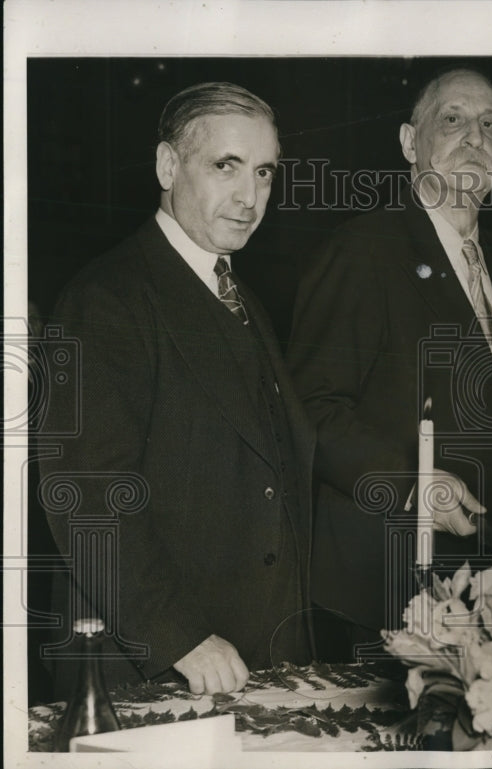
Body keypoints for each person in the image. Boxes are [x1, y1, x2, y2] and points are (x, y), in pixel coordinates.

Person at [40, 82, 314, 697]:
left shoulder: (242, 297)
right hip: (157, 664)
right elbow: (87, 495)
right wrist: (180, 636)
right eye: (226, 167)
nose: (251, 196)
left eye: (265, 173)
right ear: (168, 166)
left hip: (253, 655)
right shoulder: (106, 298)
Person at [287, 68, 492, 659]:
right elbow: (308, 408)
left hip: (486, 595)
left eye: (488, 125)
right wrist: (410, 482)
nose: (472, 137)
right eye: (451, 120)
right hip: (384, 592)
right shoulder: (363, 251)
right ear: (408, 142)